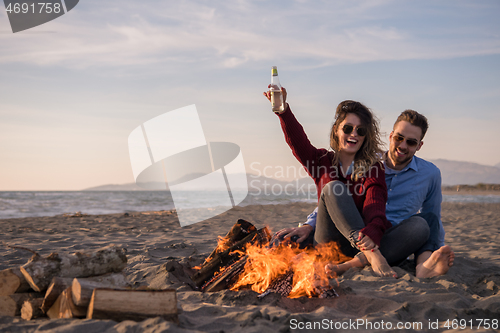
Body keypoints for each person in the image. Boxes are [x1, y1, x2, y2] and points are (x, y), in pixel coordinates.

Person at [284, 109, 455, 278]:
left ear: (419, 145)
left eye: (411, 142)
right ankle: (366, 258)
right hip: (357, 233)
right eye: (399, 138)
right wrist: (309, 224)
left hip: (391, 238)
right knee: (333, 188)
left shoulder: (430, 173)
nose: (403, 146)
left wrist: (436, 248)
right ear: (390, 136)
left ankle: (423, 266)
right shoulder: (367, 162)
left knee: (424, 223)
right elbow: (338, 200)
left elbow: (432, 215)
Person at [263, 86, 397, 278]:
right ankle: (372, 256)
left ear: (366, 136)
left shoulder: (373, 167)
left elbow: (375, 203)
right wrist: (284, 112)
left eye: (360, 131)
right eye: (348, 128)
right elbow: (298, 142)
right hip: (327, 244)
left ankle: (360, 258)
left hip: (359, 243)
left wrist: (374, 228)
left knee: (418, 227)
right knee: (334, 188)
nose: (354, 134)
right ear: (336, 130)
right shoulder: (321, 161)